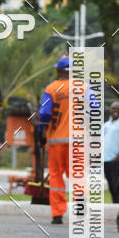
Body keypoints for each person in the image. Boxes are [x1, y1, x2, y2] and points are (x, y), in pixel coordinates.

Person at [38, 56, 72, 224]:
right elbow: (93, 108)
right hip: (78, 142)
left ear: (58, 71)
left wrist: (40, 131)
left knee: (56, 176)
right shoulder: (84, 88)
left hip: (56, 141)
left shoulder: (51, 89)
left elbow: (44, 114)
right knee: (79, 176)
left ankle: (58, 213)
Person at [103, 102, 119, 203]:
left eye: (118, 109)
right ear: (110, 110)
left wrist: (117, 157)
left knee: (117, 186)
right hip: (106, 160)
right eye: (114, 108)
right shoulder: (106, 124)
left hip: (117, 161)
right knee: (111, 186)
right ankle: (115, 206)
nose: (116, 111)